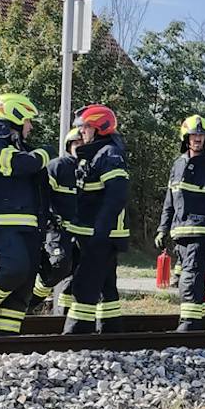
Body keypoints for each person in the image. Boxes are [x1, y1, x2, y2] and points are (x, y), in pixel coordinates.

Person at [0, 93, 50, 335]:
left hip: (30, 222)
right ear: (15, 118)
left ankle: (5, 341)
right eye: (28, 121)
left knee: (23, 287)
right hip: (3, 220)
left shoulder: (22, 147)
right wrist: (45, 153)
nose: (31, 126)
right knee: (15, 267)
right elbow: (24, 165)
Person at [156, 115, 205, 332]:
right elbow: (169, 202)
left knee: (190, 277)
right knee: (187, 277)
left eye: (201, 135)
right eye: (194, 135)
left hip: (203, 233)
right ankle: (195, 324)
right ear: (186, 138)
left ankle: (189, 326)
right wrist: (163, 228)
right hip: (179, 233)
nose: (197, 139)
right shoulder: (177, 165)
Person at [63, 103, 130, 334]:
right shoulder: (98, 153)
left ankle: (75, 335)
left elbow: (116, 196)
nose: (81, 132)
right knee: (105, 287)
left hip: (102, 234)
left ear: (99, 127)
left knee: (85, 284)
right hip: (96, 232)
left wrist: (100, 231)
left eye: (85, 128)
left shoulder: (108, 154)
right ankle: (110, 333)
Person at [37, 126, 84, 313]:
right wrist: (48, 218)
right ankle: (31, 299)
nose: (80, 147)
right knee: (58, 265)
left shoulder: (88, 170)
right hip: (57, 229)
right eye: (76, 143)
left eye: (83, 143)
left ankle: (61, 315)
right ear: (69, 145)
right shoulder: (58, 166)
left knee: (75, 272)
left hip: (79, 231)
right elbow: (42, 194)